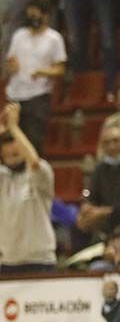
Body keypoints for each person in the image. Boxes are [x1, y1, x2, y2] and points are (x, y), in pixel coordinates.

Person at [3, 0, 64, 153]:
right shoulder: (19, 35)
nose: (32, 19)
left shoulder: (54, 39)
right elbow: (10, 62)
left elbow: (60, 69)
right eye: (29, 16)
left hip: (38, 95)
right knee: (12, 140)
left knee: (34, 140)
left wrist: (43, 71)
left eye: (35, 15)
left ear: (45, 16)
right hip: (15, 94)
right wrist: (11, 66)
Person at [0, 102, 55, 274]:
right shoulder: (3, 177)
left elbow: (34, 161)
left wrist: (14, 128)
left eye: (16, 154)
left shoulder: (41, 172)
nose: (12, 159)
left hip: (40, 261)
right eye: (7, 156)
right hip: (8, 261)